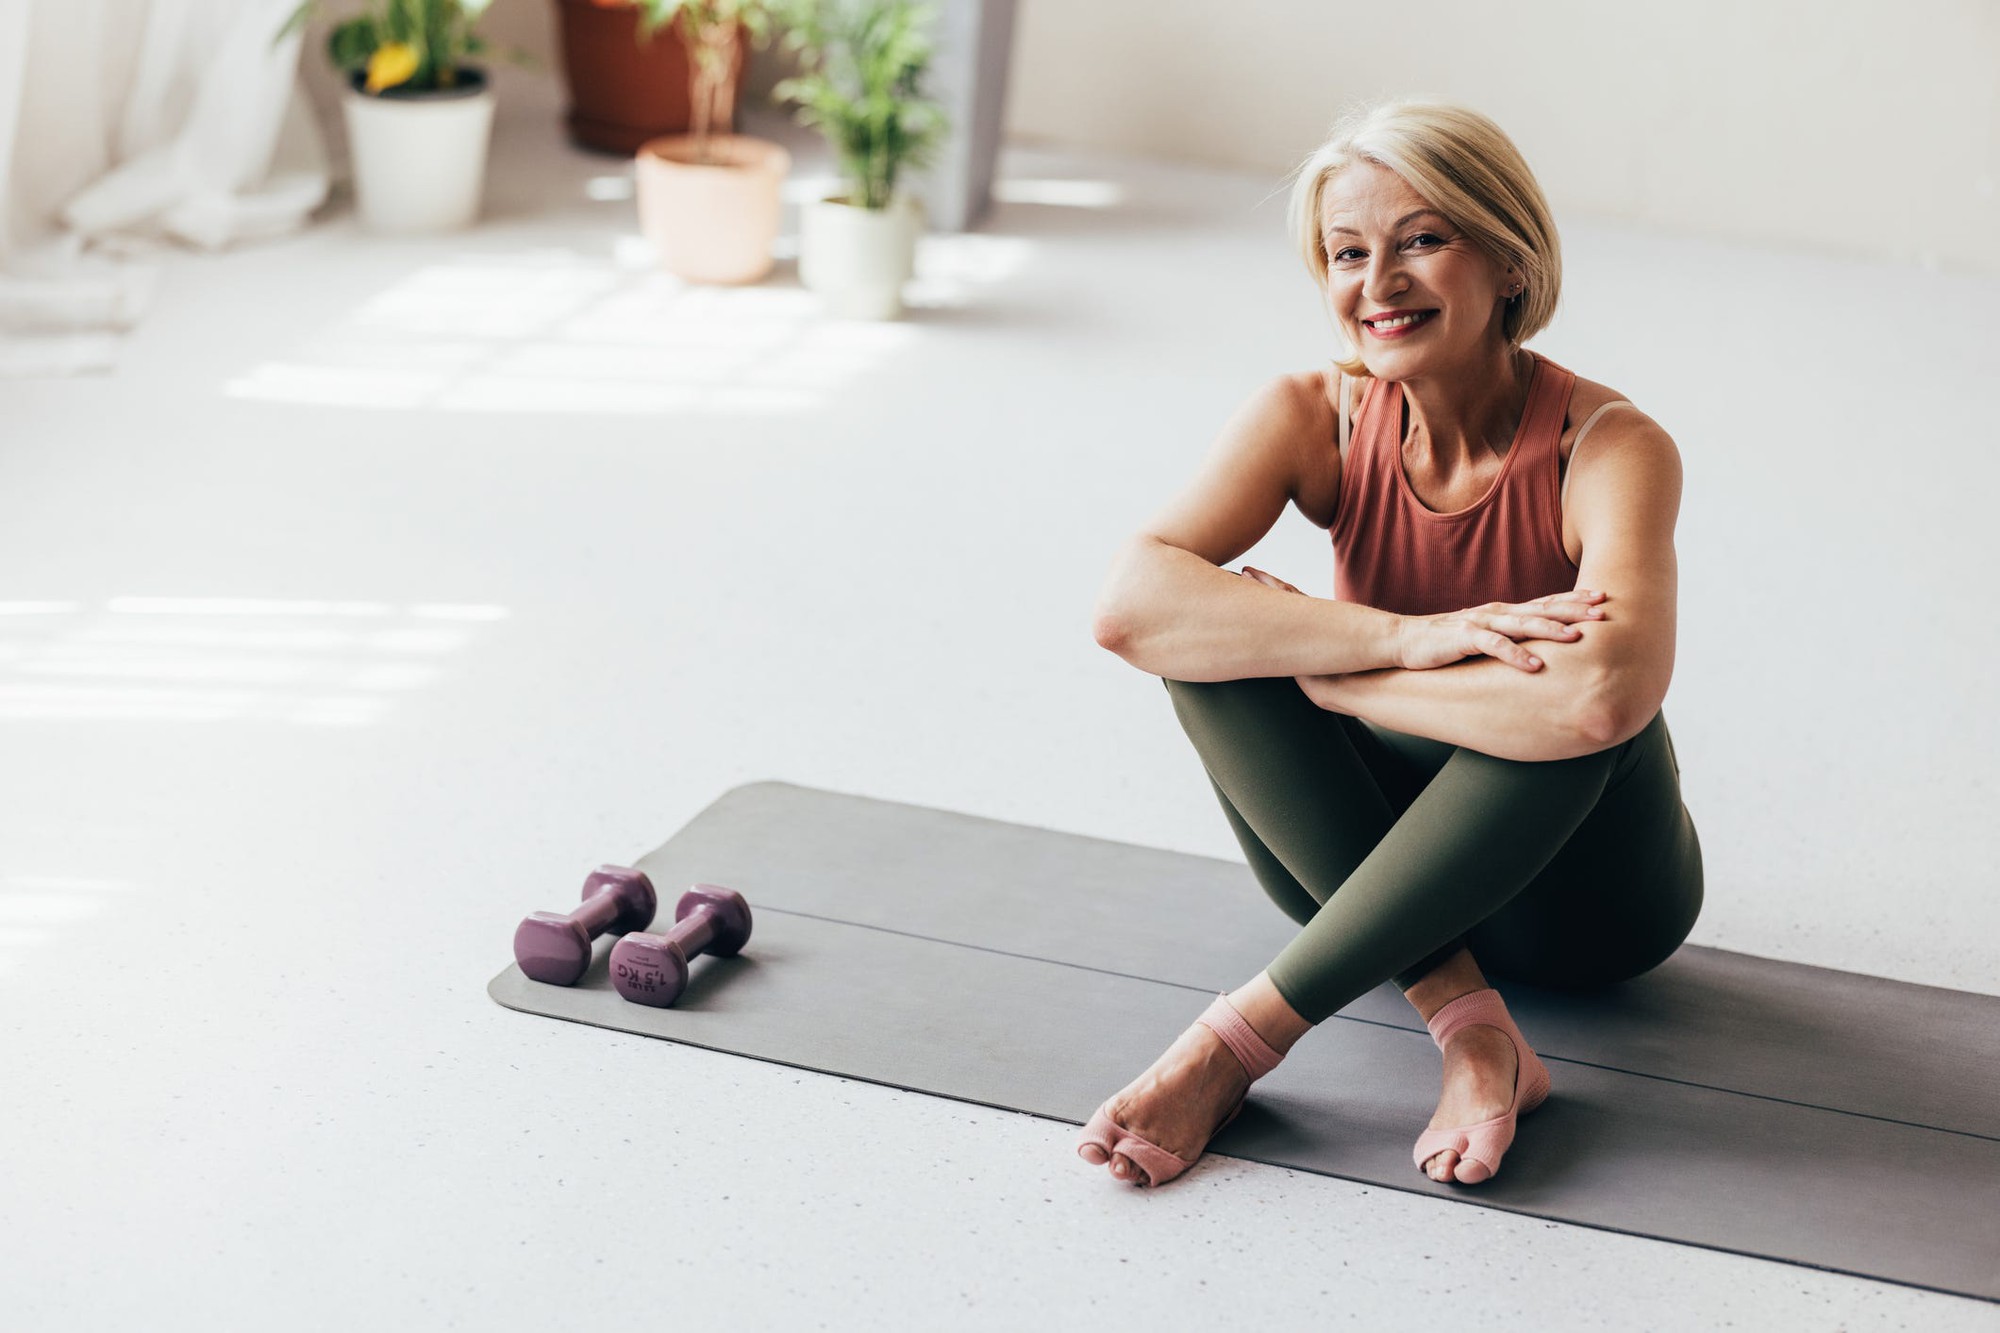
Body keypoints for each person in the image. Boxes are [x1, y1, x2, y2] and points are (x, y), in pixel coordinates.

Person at [1076, 100, 1704, 1189]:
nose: (1378, 283)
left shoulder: (1609, 448)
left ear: (1508, 259)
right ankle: (1470, 1030)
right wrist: (1401, 642)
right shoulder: (1311, 413)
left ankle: (1234, 1044)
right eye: (1345, 252)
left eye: (1421, 239)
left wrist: (1327, 674)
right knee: (1203, 641)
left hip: (1587, 907)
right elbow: (1130, 607)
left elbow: (1602, 700)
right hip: (1355, 875)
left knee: (1574, 698)